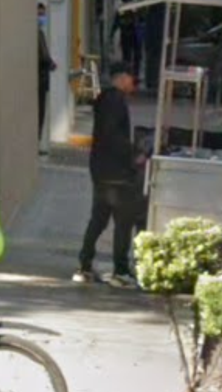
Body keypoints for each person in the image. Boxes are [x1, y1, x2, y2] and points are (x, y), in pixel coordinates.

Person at [73, 63, 140, 288]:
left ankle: (85, 265)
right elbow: (113, 135)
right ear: (121, 78)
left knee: (99, 219)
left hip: (100, 170)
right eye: (131, 78)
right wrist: (134, 154)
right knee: (123, 222)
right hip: (117, 172)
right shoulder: (116, 100)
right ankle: (120, 271)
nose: (133, 83)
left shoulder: (104, 99)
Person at [38, 3, 57, 140]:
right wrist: (51, 64)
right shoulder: (37, 33)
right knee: (39, 114)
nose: (42, 18)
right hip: (40, 78)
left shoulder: (40, 33)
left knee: (40, 113)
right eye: (39, 14)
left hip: (41, 79)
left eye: (43, 15)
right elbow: (44, 56)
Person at [112, 0, 142, 80]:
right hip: (132, 35)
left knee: (128, 56)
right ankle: (133, 74)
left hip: (127, 35)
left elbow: (116, 23)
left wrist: (112, 34)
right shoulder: (132, 8)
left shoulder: (123, 9)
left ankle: (130, 73)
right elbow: (138, 19)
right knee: (134, 56)